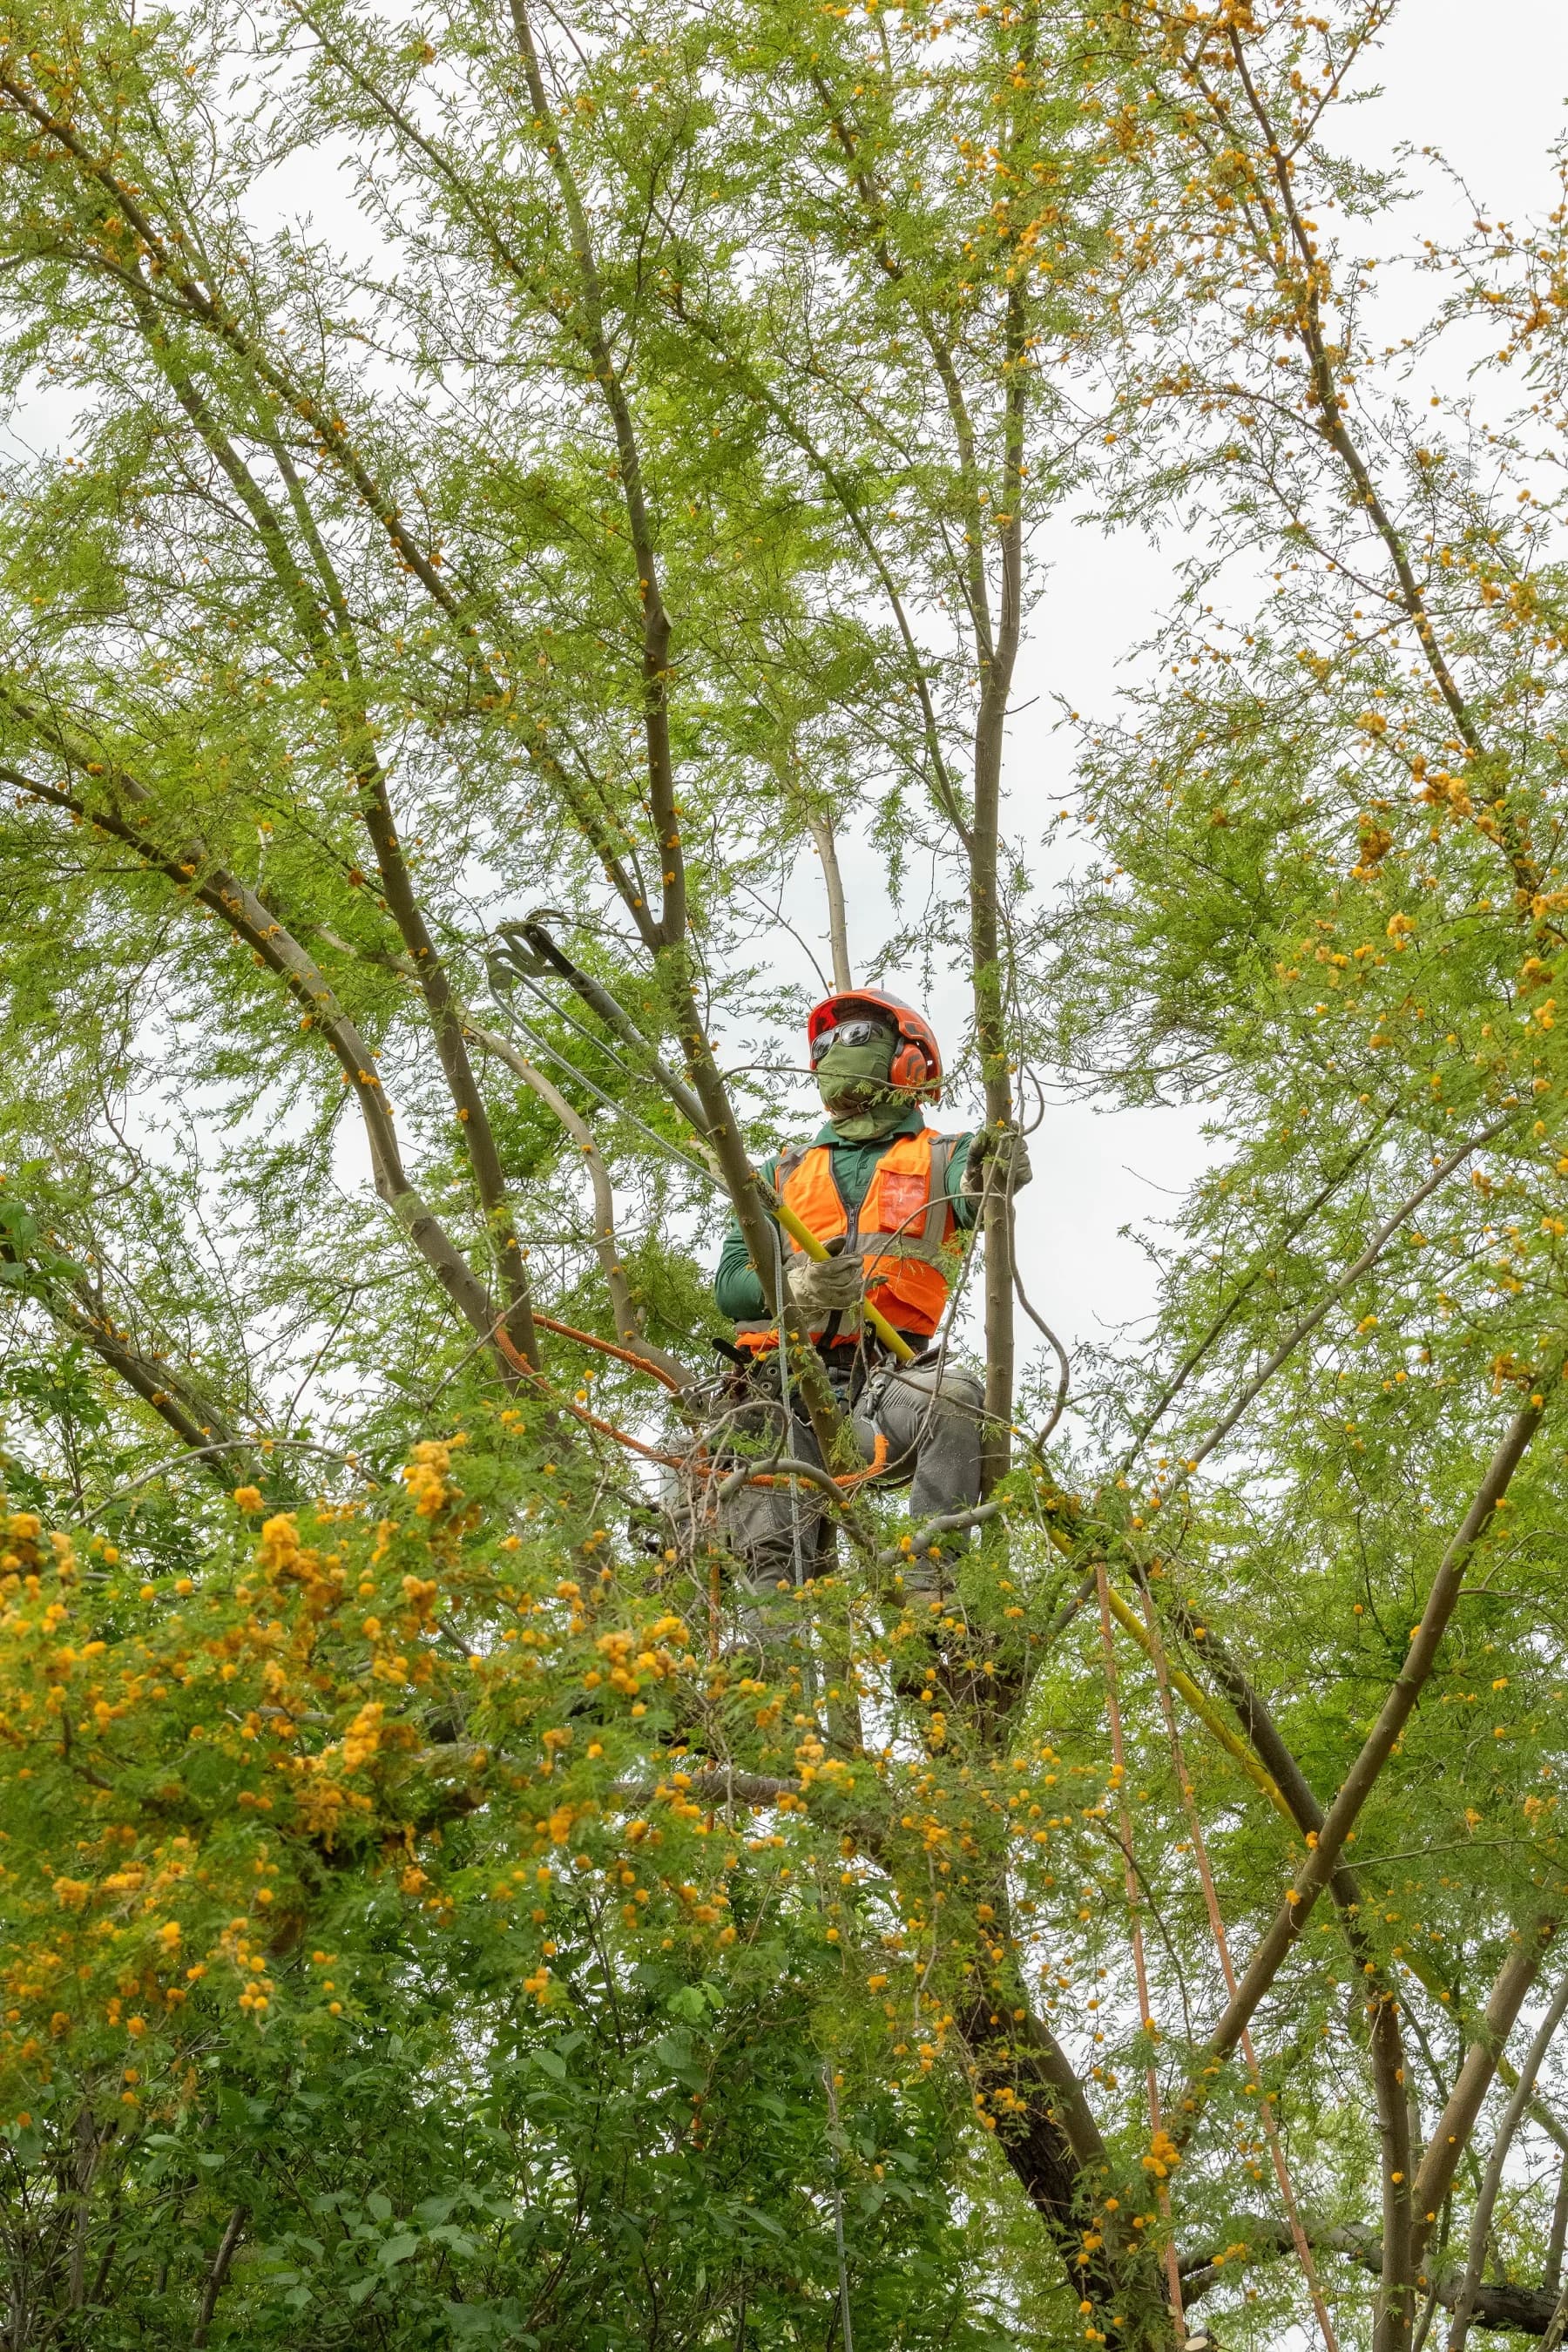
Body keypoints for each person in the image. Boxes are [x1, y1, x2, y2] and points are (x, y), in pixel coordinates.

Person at [711, 990, 1030, 1632]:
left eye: (853, 1039)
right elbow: (729, 1288)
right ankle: (755, 1686)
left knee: (957, 1397)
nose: (833, 1054)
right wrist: (795, 1289)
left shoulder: (944, 1157)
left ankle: (928, 1593)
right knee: (770, 1558)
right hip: (780, 1391)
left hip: (879, 1394)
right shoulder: (783, 1171)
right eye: (823, 1047)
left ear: (909, 1063)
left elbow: (976, 1200)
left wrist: (992, 1178)